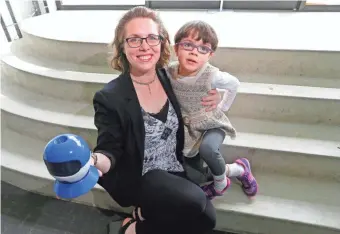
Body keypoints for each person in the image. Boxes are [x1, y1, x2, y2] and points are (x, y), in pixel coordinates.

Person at [90, 7, 222, 234]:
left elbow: (200, 81)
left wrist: (218, 95)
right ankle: (129, 230)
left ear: (162, 43)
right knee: (196, 201)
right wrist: (94, 160)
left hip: (174, 168)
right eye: (134, 39)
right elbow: (109, 148)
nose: (144, 46)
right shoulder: (109, 97)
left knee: (207, 221)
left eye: (152, 38)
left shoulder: (169, 76)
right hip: (141, 176)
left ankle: (142, 218)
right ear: (122, 46)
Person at [166, 20, 258, 200]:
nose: (194, 51)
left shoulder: (212, 75)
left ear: (210, 55)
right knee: (192, 173)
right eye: (188, 45)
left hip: (211, 123)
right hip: (187, 127)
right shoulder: (169, 71)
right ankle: (239, 169)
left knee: (208, 149)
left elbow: (234, 84)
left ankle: (220, 185)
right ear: (176, 49)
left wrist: (222, 106)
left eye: (203, 48)